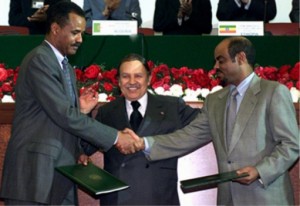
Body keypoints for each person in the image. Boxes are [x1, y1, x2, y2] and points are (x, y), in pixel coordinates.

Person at [126, 36, 299, 205]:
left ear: (241, 58)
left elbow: (291, 145)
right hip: (228, 199)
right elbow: (188, 136)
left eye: (221, 60)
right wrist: (144, 143)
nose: (215, 66)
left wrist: (260, 171)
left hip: (266, 198)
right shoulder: (215, 100)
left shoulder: (273, 92)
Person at [0, 1, 136, 205]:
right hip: (34, 177)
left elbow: (58, 119)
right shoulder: (40, 60)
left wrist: (77, 149)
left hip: (60, 175)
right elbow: (64, 116)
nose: (80, 39)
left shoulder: (66, 68)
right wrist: (116, 137)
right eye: (75, 32)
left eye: (82, 33)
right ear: (55, 28)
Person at [81, 53, 199, 205]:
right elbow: (86, 148)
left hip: (159, 198)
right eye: (125, 76)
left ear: (149, 79)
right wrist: (84, 113)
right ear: (118, 81)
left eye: (138, 76)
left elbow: (208, 123)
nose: (132, 82)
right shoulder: (107, 112)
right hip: (118, 199)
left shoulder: (172, 107)